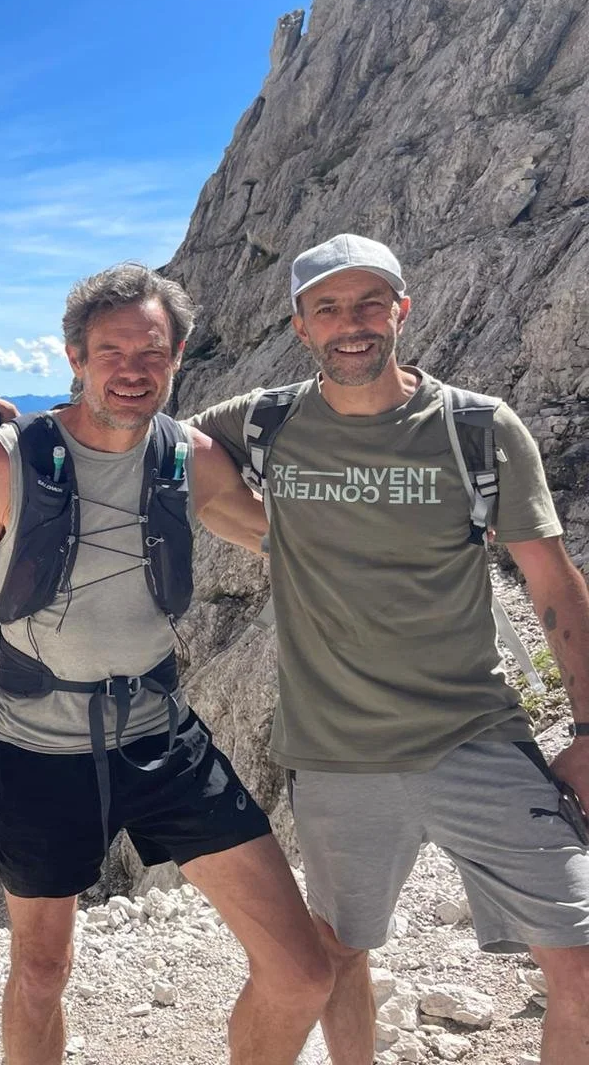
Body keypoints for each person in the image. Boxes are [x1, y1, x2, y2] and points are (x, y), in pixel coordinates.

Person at [186, 234, 589, 1065]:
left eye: (370, 302)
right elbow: (153, 447)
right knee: (338, 956)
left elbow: (554, 587)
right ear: (300, 326)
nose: (352, 324)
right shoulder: (268, 420)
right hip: (338, 756)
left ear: (402, 309)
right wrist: (28, 427)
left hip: (475, 734)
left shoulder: (477, 429)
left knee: (580, 966)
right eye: (328, 308)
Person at [0, 263, 332, 1065]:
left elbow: (286, 547)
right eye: (112, 350)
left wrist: (406, 541)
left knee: (300, 972)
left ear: (177, 358)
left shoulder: (189, 458)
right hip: (37, 752)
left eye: (153, 351)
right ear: (75, 359)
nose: (134, 370)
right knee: (41, 973)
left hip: (162, 741)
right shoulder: (5, 464)